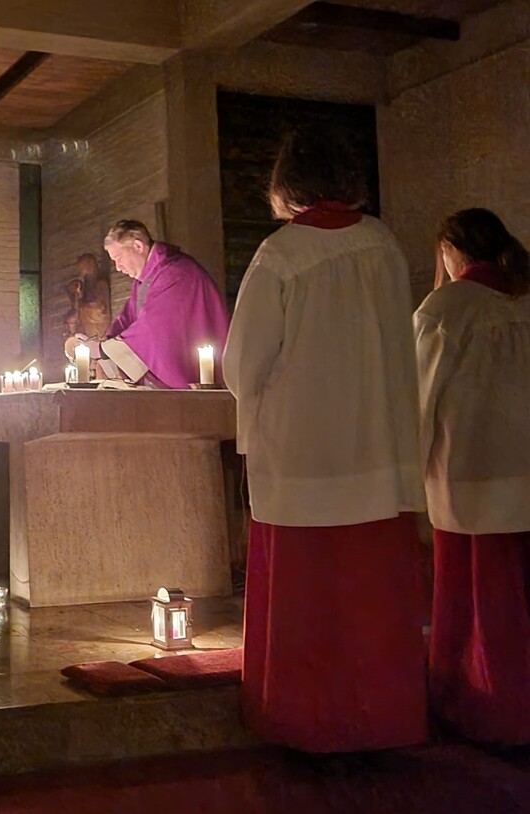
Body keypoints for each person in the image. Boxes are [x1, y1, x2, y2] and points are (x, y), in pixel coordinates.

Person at [221, 129, 428, 753]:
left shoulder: (282, 253)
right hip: (378, 451)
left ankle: (306, 724)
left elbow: (243, 365)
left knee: (308, 605)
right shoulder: (383, 243)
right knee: (372, 602)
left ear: (286, 183)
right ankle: (381, 720)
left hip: (304, 455)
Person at [414, 208, 530, 746]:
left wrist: (409, 469)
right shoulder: (521, 302)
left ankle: (484, 708)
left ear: (450, 251)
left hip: (472, 475)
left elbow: (421, 395)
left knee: (478, 603)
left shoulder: (446, 307)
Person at [82, 220, 228, 389]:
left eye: (118, 258)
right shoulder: (145, 279)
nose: (118, 267)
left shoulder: (176, 272)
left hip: (189, 372)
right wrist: (104, 341)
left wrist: (103, 350)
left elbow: (153, 327)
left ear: (138, 246)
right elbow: (127, 319)